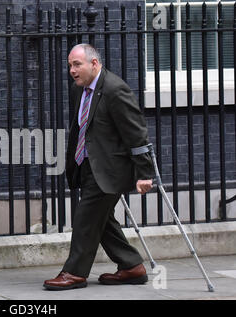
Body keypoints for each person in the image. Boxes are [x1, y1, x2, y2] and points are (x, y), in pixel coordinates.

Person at [43, 44, 155, 291]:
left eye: (77, 65)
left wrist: (145, 174)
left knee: (85, 219)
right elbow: (82, 129)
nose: (72, 70)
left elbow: (136, 133)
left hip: (111, 169)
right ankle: (131, 266)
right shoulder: (79, 90)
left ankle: (74, 273)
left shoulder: (115, 90)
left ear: (94, 64)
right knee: (102, 220)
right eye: (70, 65)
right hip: (88, 165)